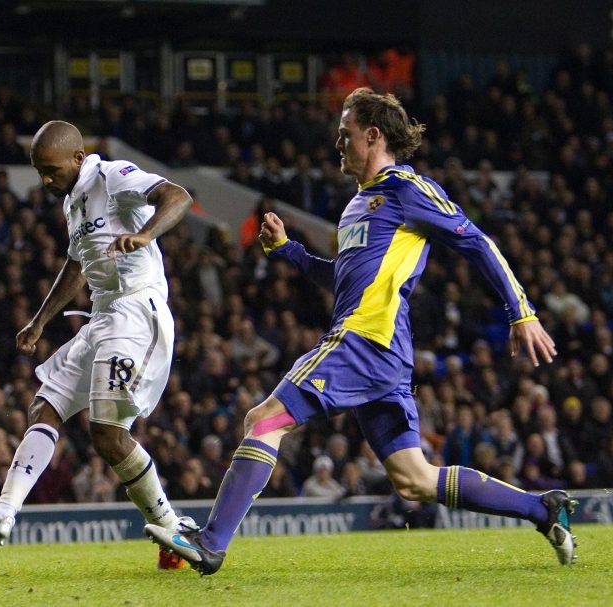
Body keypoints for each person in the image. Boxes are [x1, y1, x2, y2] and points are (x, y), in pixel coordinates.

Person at [146, 87, 576, 575]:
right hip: (382, 352)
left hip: (364, 340)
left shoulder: (406, 188)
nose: (338, 145)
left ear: (373, 136)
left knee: (264, 420)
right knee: (414, 480)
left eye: (344, 135)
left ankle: (211, 544)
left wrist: (521, 310)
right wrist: (288, 250)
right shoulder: (359, 205)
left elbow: (476, 242)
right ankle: (544, 509)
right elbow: (345, 278)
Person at [0, 120, 194, 568]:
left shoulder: (112, 176)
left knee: (106, 433)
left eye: (51, 170)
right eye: (39, 171)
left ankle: (171, 529)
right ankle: (2, 515)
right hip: (102, 318)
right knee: (45, 407)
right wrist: (40, 320)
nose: (46, 180)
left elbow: (178, 196)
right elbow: (76, 266)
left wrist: (145, 234)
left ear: (78, 159)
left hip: (138, 312)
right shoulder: (73, 203)